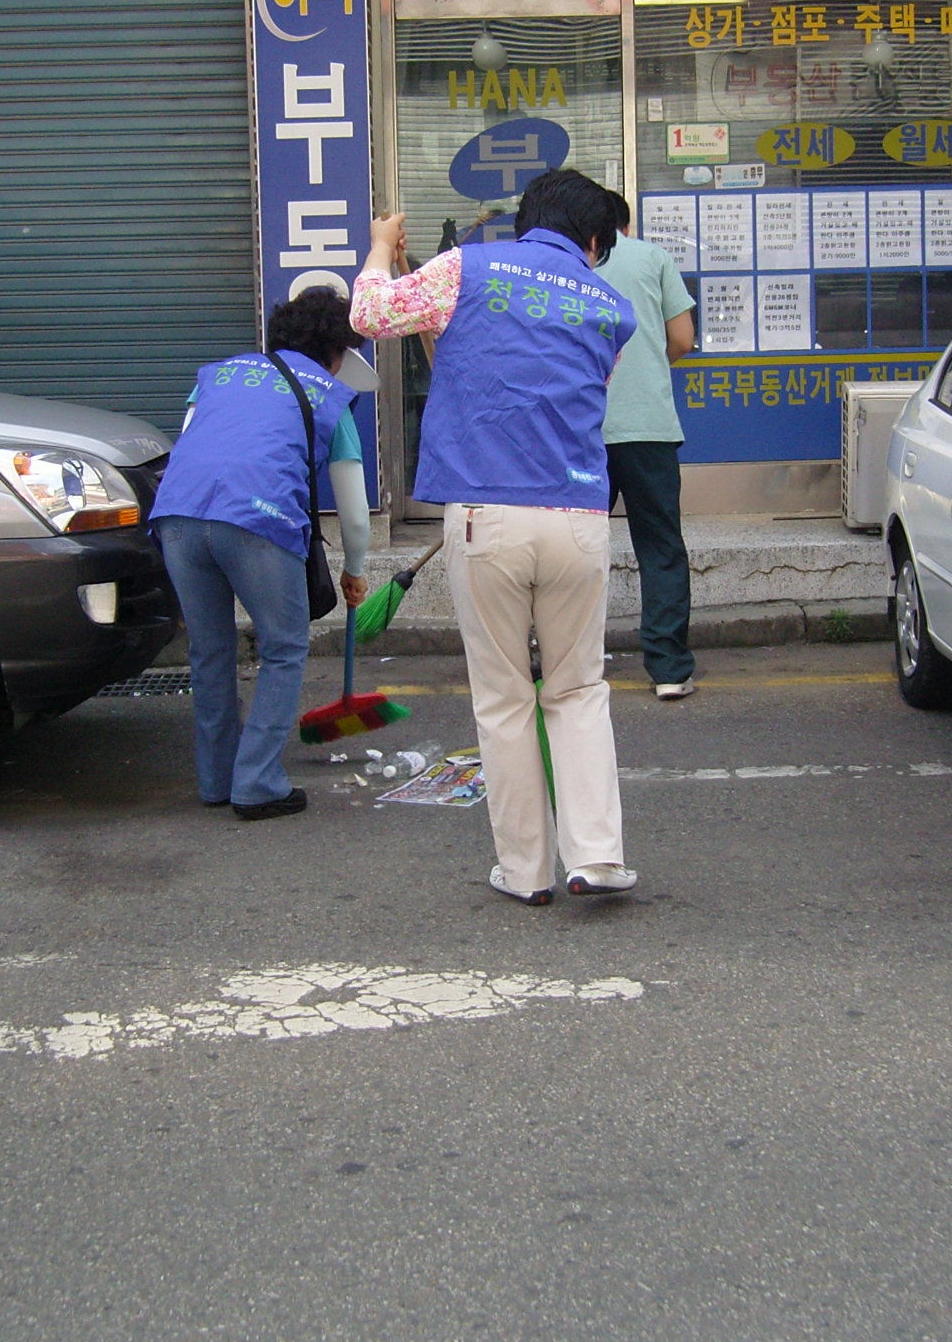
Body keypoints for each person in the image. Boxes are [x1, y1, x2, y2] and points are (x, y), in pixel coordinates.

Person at [352, 168, 641, 907]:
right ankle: (598, 859)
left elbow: (372, 313)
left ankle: (526, 872)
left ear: (526, 220)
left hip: (486, 519)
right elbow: (575, 394)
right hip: (577, 518)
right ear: (595, 239)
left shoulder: (466, 268)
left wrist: (383, 247)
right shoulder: (612, 307)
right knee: (578, 689)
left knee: (506, 699)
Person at [150, 288, 373, 821]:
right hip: (256, 521)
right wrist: (355, 569)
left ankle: (217, 780)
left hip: (177, 516)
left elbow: (191, 445)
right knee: (283, 647)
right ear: (336, 353)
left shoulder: (219, 376)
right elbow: (358, 515)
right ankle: (257, 784)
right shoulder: (327, 391)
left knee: (209, 652)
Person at [599, 190, 699, 700]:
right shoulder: (653, 258)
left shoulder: (567, 265)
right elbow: (681, 339)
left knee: (576, 549)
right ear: (626, 223)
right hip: (649, 428)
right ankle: (668, 668)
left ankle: (571, 659)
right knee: (660, 547)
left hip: (581, 431)